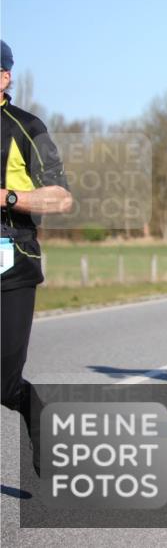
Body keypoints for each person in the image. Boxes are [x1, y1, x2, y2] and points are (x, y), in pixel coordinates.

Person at [1, 40, 73, 473]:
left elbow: (61, 198)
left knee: (5, 381)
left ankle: (37, 416)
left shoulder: (27, 126)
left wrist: (8, 196)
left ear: (5, 76)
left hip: (13, 262)